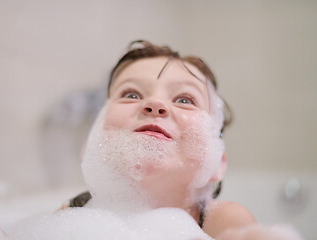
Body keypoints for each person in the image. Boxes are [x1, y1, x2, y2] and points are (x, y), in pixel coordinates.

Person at [61, 40, 257, 238]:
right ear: (91, 144)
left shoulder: (224, 224)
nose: (155, 103)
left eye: (184, 100)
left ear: (218, 163)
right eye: (131, 94)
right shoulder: (73, 217)